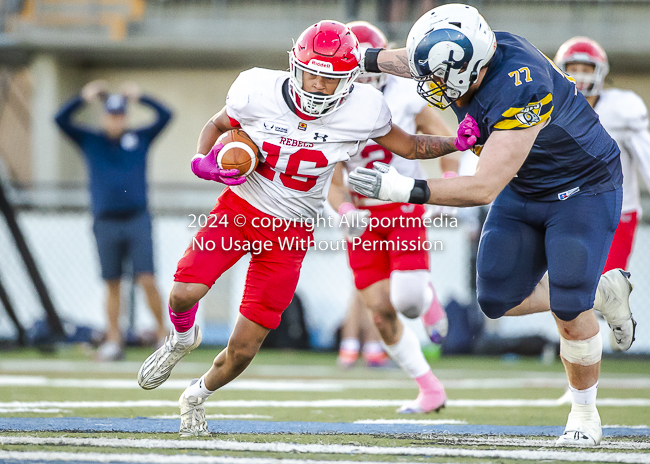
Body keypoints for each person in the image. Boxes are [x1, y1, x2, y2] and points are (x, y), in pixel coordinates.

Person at [135, 20, 476, 437]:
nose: (316, 85)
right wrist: (201, 158)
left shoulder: (364, 108)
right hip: (241, 210)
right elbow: (218, 124)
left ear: (350, 80)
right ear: (294, 66)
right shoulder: (256, 89)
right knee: (184, 291)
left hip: (292, 233)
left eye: (329, 78)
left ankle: (196, 394)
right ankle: (182, 339)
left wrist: (455, 143)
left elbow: (409, 145)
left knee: (243, 349)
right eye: (310, 72)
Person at [347, 3, 637, 446]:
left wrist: (403, 189)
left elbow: (483, 186)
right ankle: (601, 290)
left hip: (582, 190)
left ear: (469, 70)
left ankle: (584, 414)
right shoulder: (473, 52)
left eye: (440, 78)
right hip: (525, 186)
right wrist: (359, 57)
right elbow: (416, 59)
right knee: (497, 299)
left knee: (568, 309)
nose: (430, 85)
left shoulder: (523, 85)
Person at [331, 20, 459, 414]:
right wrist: (346, 208)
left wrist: (450, 181)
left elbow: (445, 139)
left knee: (406, 302)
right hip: (363, 215)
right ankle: (429, 388)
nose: (363, 79)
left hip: (403, 204)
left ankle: (425, 295)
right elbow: (333, 183)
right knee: (382, 314)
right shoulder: (328, 106)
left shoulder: (406, 95)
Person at [55, 80, 172, 361]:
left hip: (137, 218)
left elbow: (166, 116)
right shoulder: (91, 140)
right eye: (111, 115)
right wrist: (84, 97)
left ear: (125, 117)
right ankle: (114, 341)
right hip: (105, 221)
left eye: (120, 115)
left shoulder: (139, 138)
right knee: (112, 282)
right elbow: (59, 120)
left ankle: (163, 335)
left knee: (147, 278)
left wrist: (141, 95)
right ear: (104, 116)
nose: (116, 120)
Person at [555, 37, 650, 278]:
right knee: (568, 286)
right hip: (570, 211)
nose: (580, 76)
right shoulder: (552, 109)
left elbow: (646, 154)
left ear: (600, 73)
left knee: (607, 286)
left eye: (586, 70)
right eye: (573, 69)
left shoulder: (621, 109)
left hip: (616, 213)